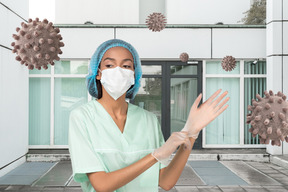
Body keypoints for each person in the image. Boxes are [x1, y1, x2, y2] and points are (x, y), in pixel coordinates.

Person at [68, 39, 230, 192]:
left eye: (126, 66)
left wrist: (191, 133)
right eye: (109, 65)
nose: (118, 71)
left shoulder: (148, 120)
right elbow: (102, 185)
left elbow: (165, 181)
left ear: (133, 74)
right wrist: (155, 156)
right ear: (98, 73)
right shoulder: (82, 118)